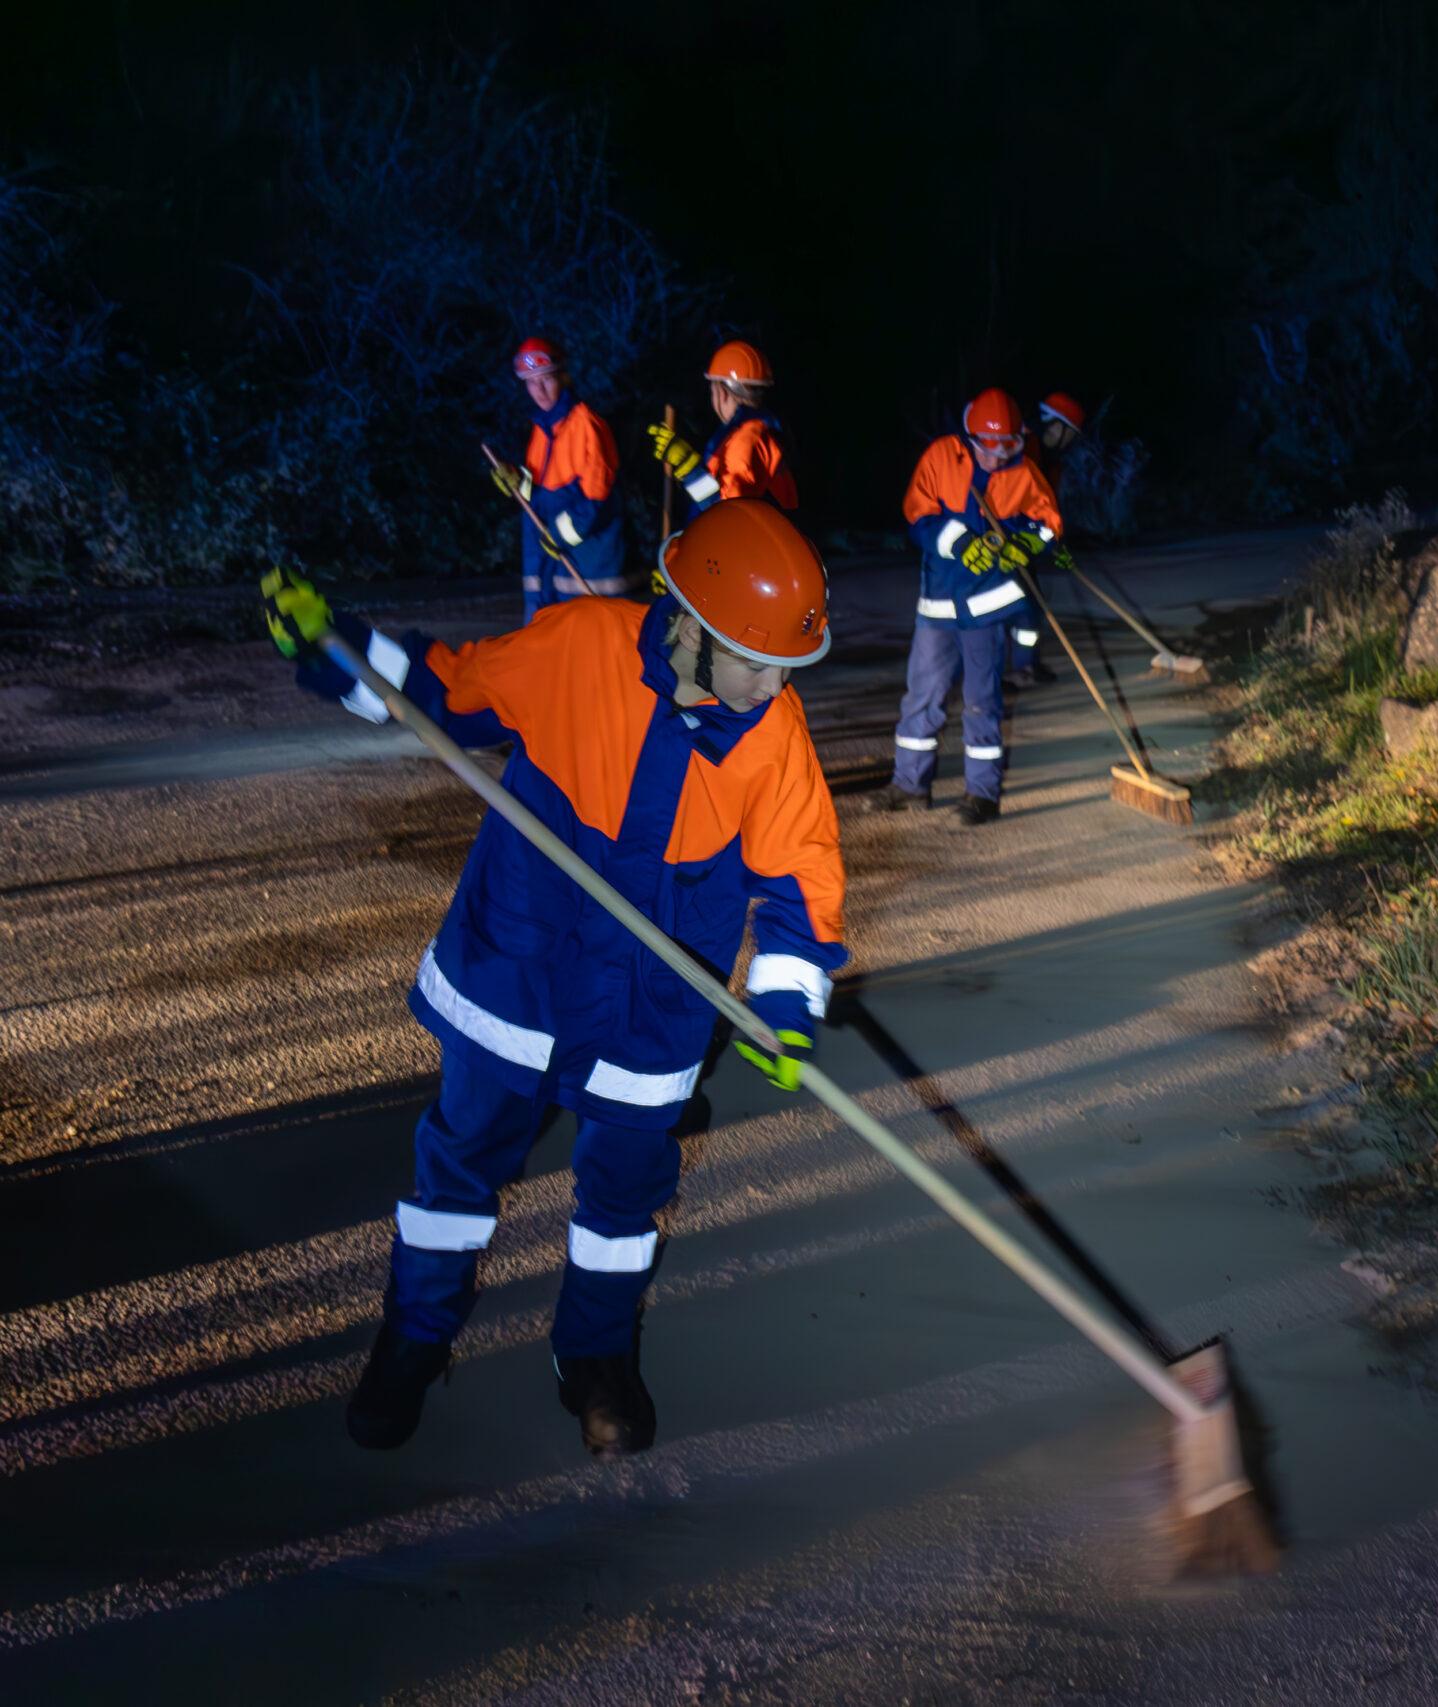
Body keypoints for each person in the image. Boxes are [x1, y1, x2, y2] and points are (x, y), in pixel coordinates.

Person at [258, 499, 846, 1459]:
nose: (776, 684)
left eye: (788, 666)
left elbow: (802, 881)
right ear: (692, 627)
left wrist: (785, 1007)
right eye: (758, 661)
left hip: (648, 1008)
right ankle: (414, 1334)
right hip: (520, 974)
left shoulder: (774, 732)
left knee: (624, 1191)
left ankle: (596, 1354)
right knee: (460, 1162)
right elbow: (445, 691)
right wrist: (340, 648)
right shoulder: (582, 645)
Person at [880, 388, 1063, 825]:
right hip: (939, 605)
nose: (997, 458)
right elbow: (917, 513)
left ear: (1019, 440)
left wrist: (1026, 543)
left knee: (982, 701)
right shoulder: (942, 458)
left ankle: (982, 794)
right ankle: (909, 785)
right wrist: (958, 541)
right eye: (989, 447)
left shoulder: (1025, 473)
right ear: (970, 437)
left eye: (1008, 447)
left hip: (986, 609)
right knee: (922, 696)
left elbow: (1049, 524)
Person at [496, 338, 627, 622]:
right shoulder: (541, 430)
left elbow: (596, 502)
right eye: (531, 383)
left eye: (545, 379)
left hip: (585, 571)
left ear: (563, 377)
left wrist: (557, 536)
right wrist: (515, 483)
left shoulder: (587, 426)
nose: (539, 390)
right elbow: (539, 497)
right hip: (548, 573)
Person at [649, 340, 801, 521]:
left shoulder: (746, 440)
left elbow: (727, 514)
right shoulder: (758, 433)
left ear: (722, 392)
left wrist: (689, 468)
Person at [1005, 392, 1087, 688]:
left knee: (1031, 608)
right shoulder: (1021, 449)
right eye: (1070, 434)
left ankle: (1026, 665)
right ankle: (999, 675)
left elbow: (1046, 511)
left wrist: (1054, 545)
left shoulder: (1049, 460)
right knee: (1015, 609)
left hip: (1024, 545)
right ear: (1055, 425)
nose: (1070, 442)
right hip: (1004, 545)